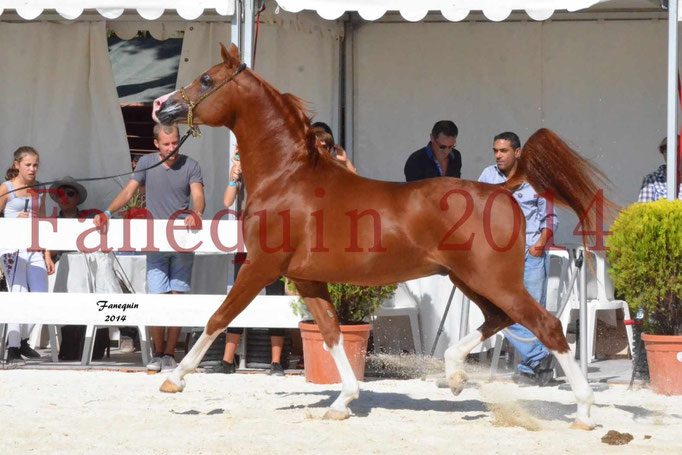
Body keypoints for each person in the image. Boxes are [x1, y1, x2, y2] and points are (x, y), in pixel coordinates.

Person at [94, 123, 205, 372]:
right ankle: (157, 352)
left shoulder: (191, 164)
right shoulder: (146, 163)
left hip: (182, 238)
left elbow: (198, 195)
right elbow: (129, 191)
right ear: (156, 144)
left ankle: (169, 353)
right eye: (166, 143)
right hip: (154, 239)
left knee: (177, 296)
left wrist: (196, 212)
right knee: (157, 296)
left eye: (175, 142)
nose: (171, 147)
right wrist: (108, 212)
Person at [478, 132, 557, 386]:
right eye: (495, 151)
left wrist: (539, 245)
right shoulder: (487, 177)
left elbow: (550, 217)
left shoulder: (537, 178)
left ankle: (531, 369)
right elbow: (475, 212)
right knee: (504, 310)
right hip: (499, 256)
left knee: (532, 311)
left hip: (529, 252)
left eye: (503, 151)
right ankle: (539, 359)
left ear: (518, 152)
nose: (498, 156)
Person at [207, 150, 286, 376]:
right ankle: (227, 359)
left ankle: (276, 361)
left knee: (275, 297)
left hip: (272, 240)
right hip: (248, 240)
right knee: (239, 296)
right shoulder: (246, 173)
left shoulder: (274, 175)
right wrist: (235, 176)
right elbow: (227, 200)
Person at [0, 146, 55, 364]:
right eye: (28, 165)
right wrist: (14, 221)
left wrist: (47, 253)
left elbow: (43, 222)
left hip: (34, 248)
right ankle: (13, 348)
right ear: (17, 165)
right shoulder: (6, 188)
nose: (32, 169)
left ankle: (22, 340)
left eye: (35, 165)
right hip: (12, 248)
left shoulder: (38, 190)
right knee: (18, 293)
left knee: (41, 297)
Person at [637, 136, 682, 202]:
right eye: (665, 149)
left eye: (677, 148)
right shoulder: (651, 180)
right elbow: (644, 209)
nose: (671, 152)